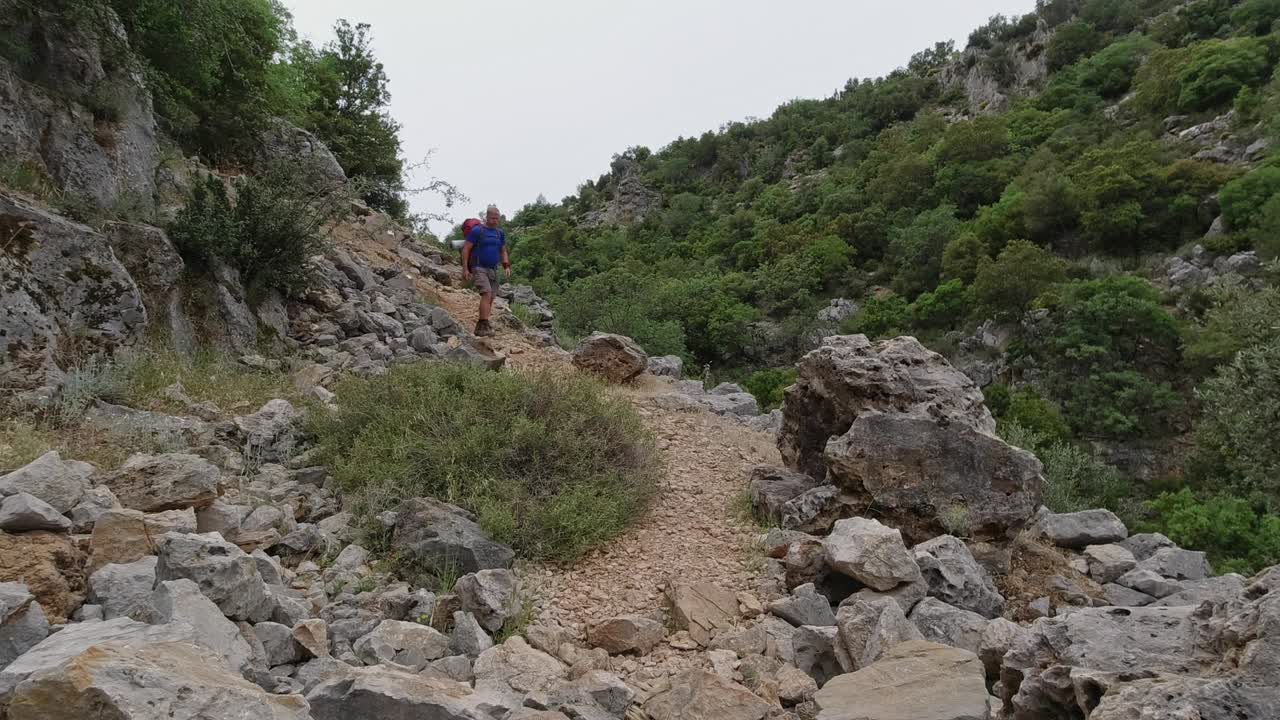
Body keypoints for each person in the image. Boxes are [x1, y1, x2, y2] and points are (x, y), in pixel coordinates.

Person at [461, 205, 510, 337]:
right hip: (478, 267)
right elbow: (466, 249)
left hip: (493, 269)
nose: (495, 221)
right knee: (486, 293)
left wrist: (506, 265)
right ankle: (483, 324)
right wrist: (465, 268)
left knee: (492, 297)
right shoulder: (478, 231)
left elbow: (503, 250)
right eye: (492, 218)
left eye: (497, 218)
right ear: (486, 217)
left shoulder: (500, 233)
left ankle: (483, 325)